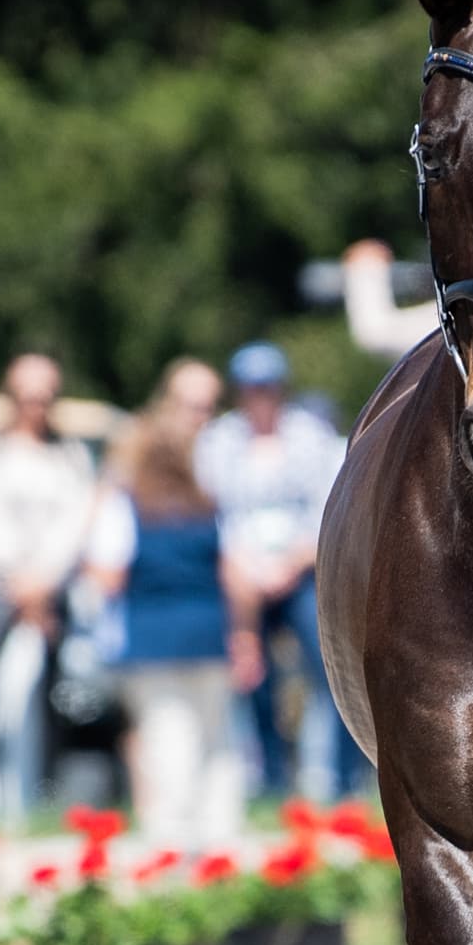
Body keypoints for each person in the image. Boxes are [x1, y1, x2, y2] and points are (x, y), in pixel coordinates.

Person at [84, 358, 254, 844]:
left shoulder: (126, 504)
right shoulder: (208, 508)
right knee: (218, 742)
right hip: (208, 632)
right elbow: (235, 577)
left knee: (167, 738)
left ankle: (171, 838)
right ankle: (223, 836)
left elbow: (108, 575)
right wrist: (244, 634)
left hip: (150, 637)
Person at [193, 341, 352, 800]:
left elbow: (328, 505)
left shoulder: (311, 436)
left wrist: (293, 561)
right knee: (253, 675)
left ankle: (340, 779)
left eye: (268, 388)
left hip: (300, 568)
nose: (260, 398)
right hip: (242, 575)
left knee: (329, 670)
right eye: (252, 389)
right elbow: (214, 513)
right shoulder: (219, 441)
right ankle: (271, 779)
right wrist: (243, 568)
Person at [0, 352, 97, 816]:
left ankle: (42, 793)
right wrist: (19, 580)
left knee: (59, 694)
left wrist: (44, 582)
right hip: (0, 591)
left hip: (52, 594)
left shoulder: (71, 455)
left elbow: (76, 524)